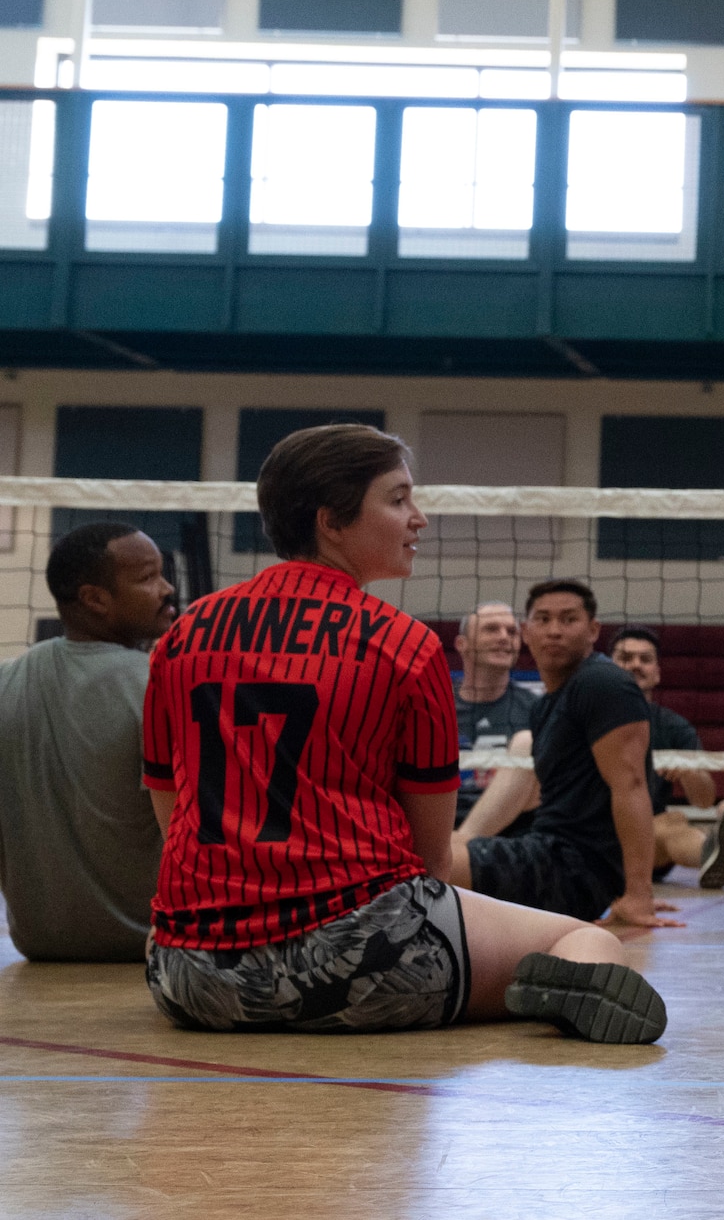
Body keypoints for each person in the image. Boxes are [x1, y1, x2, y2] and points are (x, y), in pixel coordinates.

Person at [143, 425, 667, 1042]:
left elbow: (170, 808)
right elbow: (429, 860)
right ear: (331, 521)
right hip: (366, 966)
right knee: (587, 935)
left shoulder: (183, 635)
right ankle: (552, 983)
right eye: (397, 499)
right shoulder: (404, 645)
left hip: (188, 972)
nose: (418, 518)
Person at [450, 580, 724, 912]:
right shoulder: (545, 705)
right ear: (529, 631)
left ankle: (720, 852)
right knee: (419, 862)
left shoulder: (602, 683)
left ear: (593, 630)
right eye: (543, 619)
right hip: (546, 853)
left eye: (568, 620)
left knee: (427, 865)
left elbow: (632, 787)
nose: (554, 631)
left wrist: (638, 895)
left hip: (572, 871)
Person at [0, 523, 178, 962]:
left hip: (37, 944)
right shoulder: (158, 682)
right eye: (147, 578)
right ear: (95, 599)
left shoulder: (5, 681)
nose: (167, 588)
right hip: (151, 942)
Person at [606, 624, 724, 886]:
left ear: (657, 673)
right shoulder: (583, 716)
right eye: (626, 658)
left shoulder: (673, 726)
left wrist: (688, 771)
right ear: (607, 668)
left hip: (644, 840)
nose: (635, 665)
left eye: (645, 659)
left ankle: (714, 856)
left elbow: (704, 800)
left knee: (674, 822)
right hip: (589, 837)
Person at [452, 601, 539, 832]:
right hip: (439, 824)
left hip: (511, 831)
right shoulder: (435, 703)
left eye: (512, 632)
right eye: (491, 629)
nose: (504, 637)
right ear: (463, 645)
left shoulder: (536, 709)